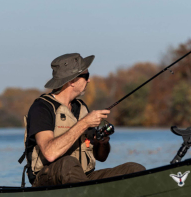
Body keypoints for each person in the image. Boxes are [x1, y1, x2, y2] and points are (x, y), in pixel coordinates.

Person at [21, 53, 145, 187]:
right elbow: (50, 153)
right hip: (48, 179)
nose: (89, 80)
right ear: (71, 81)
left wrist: (102, 143)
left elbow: (101, 157)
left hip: (84, 178)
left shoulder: (81, 107)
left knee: (134, 169)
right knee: (68, 164)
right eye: (86, 76)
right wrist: (85, 122)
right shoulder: (41, 108)